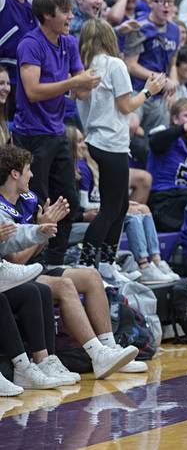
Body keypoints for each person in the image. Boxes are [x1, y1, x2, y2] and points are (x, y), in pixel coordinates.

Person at [0, 144, 142, 378]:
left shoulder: (28, 199)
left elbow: (36, 248)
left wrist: (44, 231)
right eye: (28, 170)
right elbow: (16, 257)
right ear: (14, 174)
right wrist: (41, 230)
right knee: (65, 286)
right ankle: (97, 354)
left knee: (91, 276)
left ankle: (110, 349)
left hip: (36, 266)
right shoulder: (2, 210)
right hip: (14, 273)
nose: (32, 175)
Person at [13, 0, 99, 265]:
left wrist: (87, 84)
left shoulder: (69, 42)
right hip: (31, 135)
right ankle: (32, 261)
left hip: (57, 130)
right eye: (66, 12)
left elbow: (81, 89)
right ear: (47, 15)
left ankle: (56, 260)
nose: (71, 17)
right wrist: (74, 84)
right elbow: (33, 91)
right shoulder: (30, 44)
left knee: (69, 200)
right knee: (38, 203)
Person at [76, 18, 166, 269]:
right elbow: (126, 106)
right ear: (110, 38)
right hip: (110, 141)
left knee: (120, 205)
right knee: (112, 208)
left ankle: (106, 261)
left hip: (96, 139)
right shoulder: (115, 65)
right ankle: (91, 263)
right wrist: (149, 91)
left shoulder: (85, 66)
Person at [123, 0, 179, 116]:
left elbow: (173, 64)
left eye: (170, 2)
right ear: (150, 4)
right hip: (138, 90)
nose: (166, 6)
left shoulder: (175, 30)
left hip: (161, 94)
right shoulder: (139, 27)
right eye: (161, 2)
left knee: (160, 133)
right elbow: (130, 66)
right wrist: (163, 80)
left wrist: (173, 87)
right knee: (132, 126)